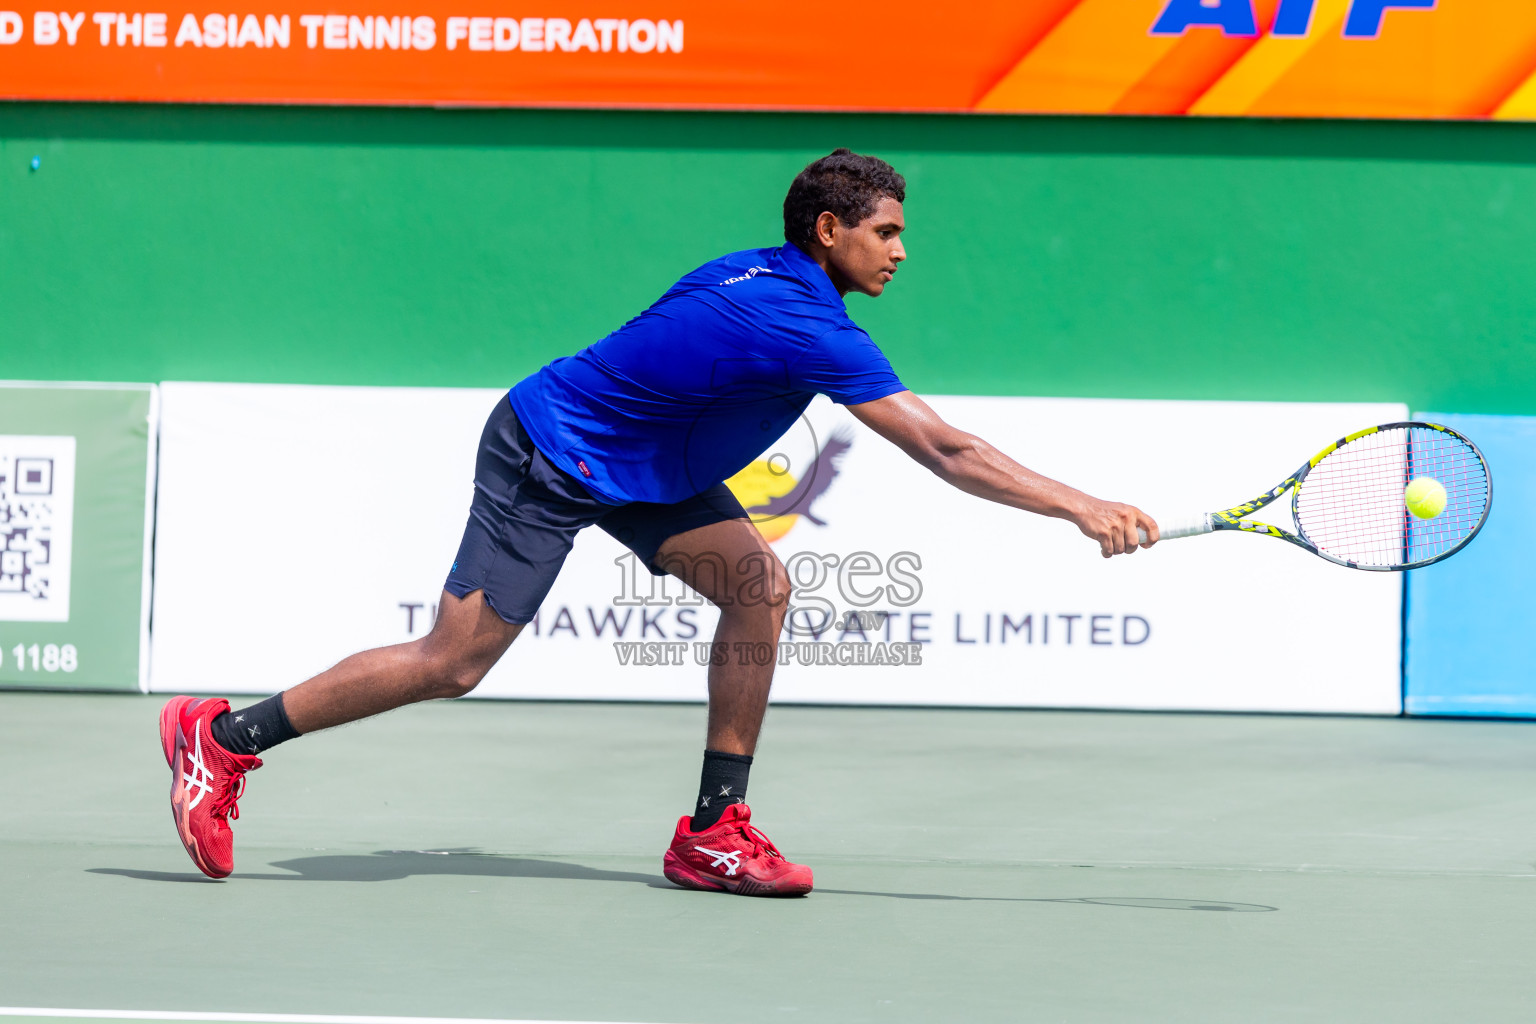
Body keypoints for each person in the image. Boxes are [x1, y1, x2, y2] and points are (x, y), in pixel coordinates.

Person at [159, 148, 1159, 894]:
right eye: (887, 231)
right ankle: (227, 735)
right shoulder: (801, 319)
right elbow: (944, 450)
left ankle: (714, 830)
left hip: (648, 471)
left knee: (762, 585)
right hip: (548, 454)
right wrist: (1084, 508)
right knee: (453, 664)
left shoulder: (757, 271)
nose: (900, 250)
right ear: (829, 232)